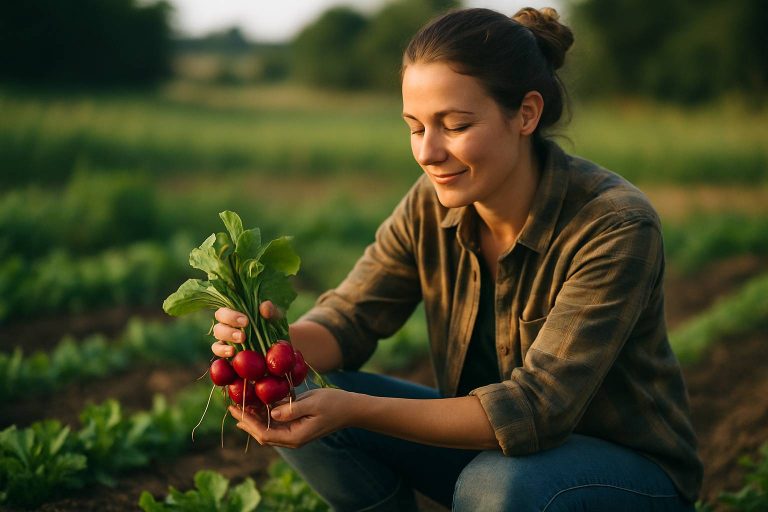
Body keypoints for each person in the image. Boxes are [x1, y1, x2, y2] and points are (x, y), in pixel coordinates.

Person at [211, 7, 703, 511]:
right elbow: (350, 318)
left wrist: (355, 410)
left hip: (627, 476)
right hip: (492, 453)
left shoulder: (613, 225)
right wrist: (271, 343)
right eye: (415, 127)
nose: (428, 152)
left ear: (526, 114)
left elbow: (536, 410)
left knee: (496, 485)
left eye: (455, 125)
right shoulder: (431, 202)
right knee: (302, 397)